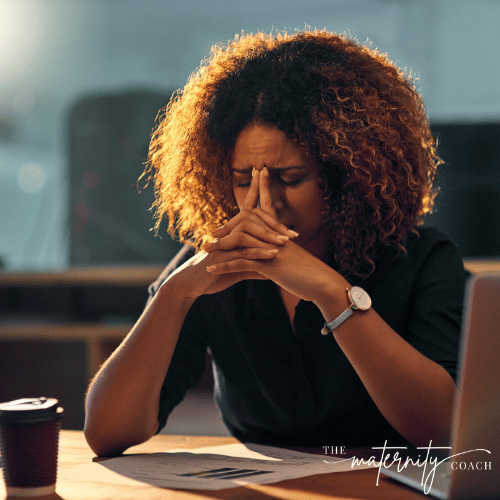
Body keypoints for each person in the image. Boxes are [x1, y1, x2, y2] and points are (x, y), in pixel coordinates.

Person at [84, 29, 468, 457]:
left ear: (346, 176)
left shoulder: (424, 261)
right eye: (242, 179)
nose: (260, 203)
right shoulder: (210, 265)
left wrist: (331, 294)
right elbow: (107, 433)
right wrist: (174, 293)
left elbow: (444, 429)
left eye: (290, 179)